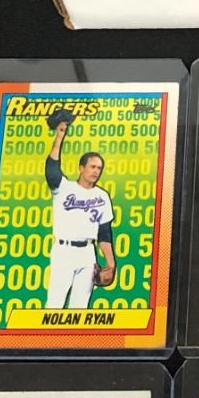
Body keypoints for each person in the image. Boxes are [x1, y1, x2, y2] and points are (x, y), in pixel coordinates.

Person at [43, 118, 116, 310]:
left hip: (87, 253)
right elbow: (51, 171)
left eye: (99, 168)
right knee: (54, 305)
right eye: (92, 167)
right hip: (63, 251)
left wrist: (111, 264)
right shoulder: (64, 188)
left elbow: (104, 232)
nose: (96, 171)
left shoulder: (102, 196)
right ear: (81, 168)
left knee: (80, 307)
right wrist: (59, 137)